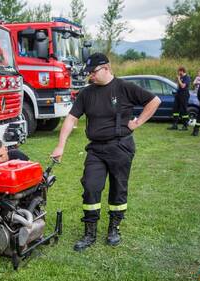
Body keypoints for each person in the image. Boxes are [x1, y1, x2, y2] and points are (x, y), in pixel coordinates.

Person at [51, 53, 161, 252]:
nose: (90, 77)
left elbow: (154, 101)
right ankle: (89, 232)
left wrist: (137, 123)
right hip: (96, 149)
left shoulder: (124, 88)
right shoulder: (86, 93)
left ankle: (114, 229)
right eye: (89, 73)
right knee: (91, 187)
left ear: (106, 68)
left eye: (93, 72)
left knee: (118, 188)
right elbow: (71, 118)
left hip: (121, 147)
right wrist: (61, 145)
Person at [167, 66, 191, 131]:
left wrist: (179, 79)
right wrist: (178, 79)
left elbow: (183, 86)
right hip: (178, 94)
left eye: (179, 71)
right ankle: (175, 125)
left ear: (182, 71)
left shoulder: (187, 77)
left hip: (184, 95)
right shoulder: (181, 77)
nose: (178, 72)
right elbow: (178, 85)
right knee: (175, 110)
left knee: (183, 110)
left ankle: (185, 126)